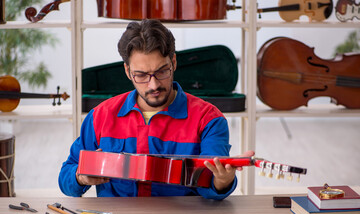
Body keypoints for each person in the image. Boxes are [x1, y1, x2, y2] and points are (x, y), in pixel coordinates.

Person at [59, 19, 254, 200]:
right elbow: (66, 176)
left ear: (174, 63)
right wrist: (80, 178)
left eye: (161, 71)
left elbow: (213, 183)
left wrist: (222, 181)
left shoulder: (209, 120)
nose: (153, 85)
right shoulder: (100, 117)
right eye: (141, 75)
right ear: (127, 71)